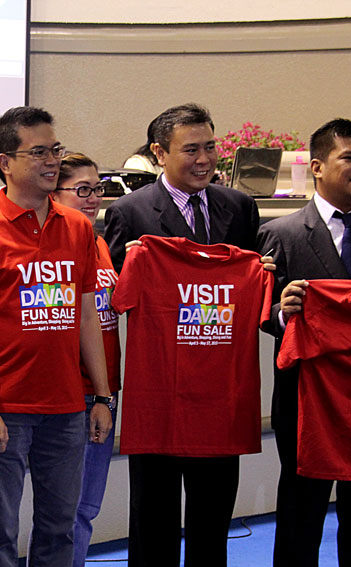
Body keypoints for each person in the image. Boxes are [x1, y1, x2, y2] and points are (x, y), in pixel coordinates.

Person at [0, 106, 113, 567]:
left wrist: (102, 396)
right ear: (5, 162)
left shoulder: (79, 227)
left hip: (66, 409)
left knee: (59, 529)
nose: (51, 161)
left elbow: (86, 318)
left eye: (54, 150)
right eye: (38, 152)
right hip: (5, 409)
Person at [103, 103, 259, 567]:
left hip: (220, 389)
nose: (204, 159)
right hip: (161, 392)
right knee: (154, 518)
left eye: (210, 147)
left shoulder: (239, 207)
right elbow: (113, 297)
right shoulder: (129, 213)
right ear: (159, 153)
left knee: (214, 516)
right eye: (191, 149)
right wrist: (127, 266)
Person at [256, 118, 351, 567]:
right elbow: (261, 315)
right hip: (306, 398)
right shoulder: (280, 234)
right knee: (300, 513)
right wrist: (282, 315)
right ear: (319, 167)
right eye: (350, 158)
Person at [50, 152, 121, 567]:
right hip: (71, 395)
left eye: (98, 189)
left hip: (103, 393)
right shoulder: (59, 247)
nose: (93, 198)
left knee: (86, 509)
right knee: (65, 511)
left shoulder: (97, 242)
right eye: (82, 190)